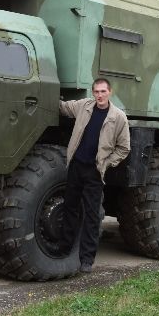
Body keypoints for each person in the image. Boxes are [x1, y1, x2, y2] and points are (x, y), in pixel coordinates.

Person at [59, 78, 130, 273]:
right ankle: (64, 248)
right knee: (70, 208)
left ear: (110, 92)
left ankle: (87, 260)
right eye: (96, 91)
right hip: (76, 167)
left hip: (94, 172)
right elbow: (64, 107)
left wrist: (107, 163)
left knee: (91, 215)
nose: (99, 95)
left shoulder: (118, 117)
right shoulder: (84, 106)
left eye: (103, 91)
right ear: (93, 93)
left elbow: (124, 148)